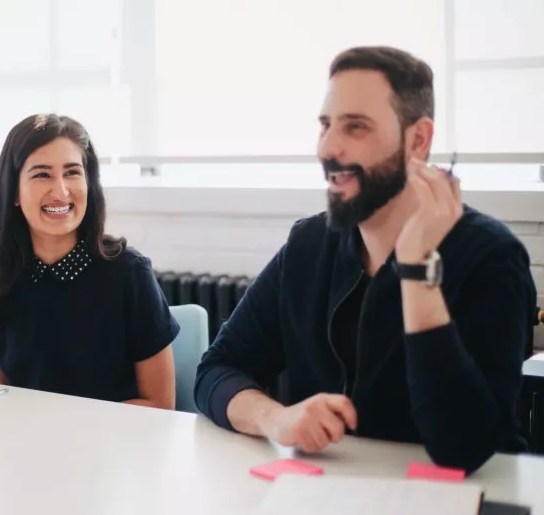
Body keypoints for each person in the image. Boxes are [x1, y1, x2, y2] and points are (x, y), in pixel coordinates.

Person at [194, 46, 537, 473]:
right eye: (325, 125)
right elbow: (216, 371)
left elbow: (464, 448)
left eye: (356, 127)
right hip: (327, 489)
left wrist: (417, 270)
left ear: (417, 140)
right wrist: (277, 418)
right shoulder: (309, 244)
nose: (329, 147)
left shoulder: (492, 258)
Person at [0, 113, 179, 410]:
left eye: (72, 173)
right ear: (14, 191)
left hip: (118, 447)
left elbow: (161, 404)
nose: (61, 191)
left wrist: (65, 429)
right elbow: (5, 399)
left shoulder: (128, 272)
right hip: (28, 447)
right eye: (42, 174)